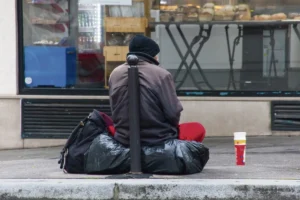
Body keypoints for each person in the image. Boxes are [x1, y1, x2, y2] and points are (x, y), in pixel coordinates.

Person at [106, 35, 205, 146]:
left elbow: (114, 109)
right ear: (151, 55)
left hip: (123, 138)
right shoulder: (161, 74)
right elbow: (173, 113)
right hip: (158, 139)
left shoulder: (114, 74)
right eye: (156, 55)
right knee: (197, 128)